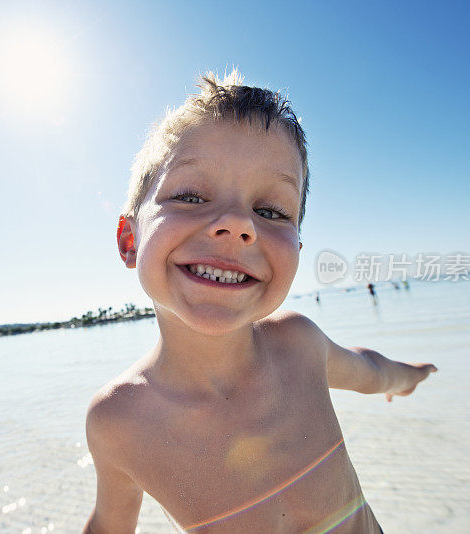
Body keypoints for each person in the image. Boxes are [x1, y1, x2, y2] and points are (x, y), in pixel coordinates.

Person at [83, 71, 437, 533]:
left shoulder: (299, 344)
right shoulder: (118, 420)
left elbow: (368, 370)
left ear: (297, 247)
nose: (236, 224)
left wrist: (407, 376)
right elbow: (109, 526)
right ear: (129, 240)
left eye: (270, 211)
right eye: (190, 196)